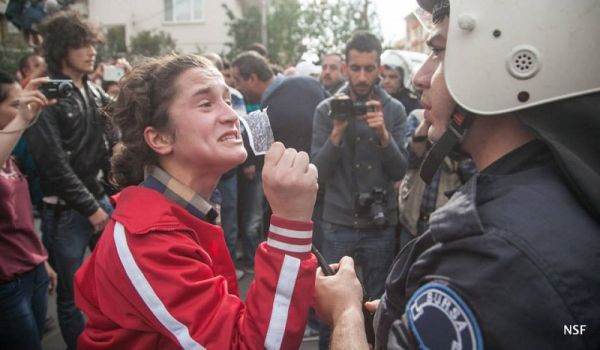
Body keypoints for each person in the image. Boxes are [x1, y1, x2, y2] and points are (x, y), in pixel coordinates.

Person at [315, 0, 600, 349]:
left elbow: (397, 167)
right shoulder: (554, 183)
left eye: (438, 51)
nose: (420, 78)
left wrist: (346, 314)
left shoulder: (488, 254)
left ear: (510, 66)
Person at [74, 53, 318, 349]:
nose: (232, 115)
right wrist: (290, 224)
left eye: (227, 101)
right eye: (206, 104)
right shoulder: (148, 238)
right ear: (160, 138)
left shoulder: (187, 209)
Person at [24, 11, 114, 349]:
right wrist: (93, 208)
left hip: (97, 201)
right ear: (63, 49)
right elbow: (53, 165)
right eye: (82, 44)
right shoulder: (46, 94)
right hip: (66, 212)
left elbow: (113, 129)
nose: (91, 51)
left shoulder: (91, 89)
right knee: (70, 295)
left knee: (111, 283)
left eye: (92, 43)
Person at [0, 71, 58, 350]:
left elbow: (21, 220)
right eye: (14, 104)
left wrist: (41, 260)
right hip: (7, 283)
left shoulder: (10, 155)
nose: (21, 109)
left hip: (31, 270)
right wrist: (22, 118)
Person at [380, 50, 420, 115]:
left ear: (403, 79)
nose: (386, 81)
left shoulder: (412, 103)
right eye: (383, 77)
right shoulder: (377, 98)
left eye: (392, 77)